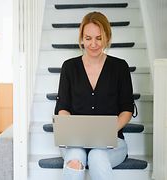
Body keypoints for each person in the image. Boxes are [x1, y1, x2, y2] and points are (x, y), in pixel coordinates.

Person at [55, 11, 134, 180]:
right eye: (88, 38)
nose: (93, 44)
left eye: (99, 38)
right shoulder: (69, 67)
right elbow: (62, 109)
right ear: (82, 38)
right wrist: (74, 132)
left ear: (107, 37)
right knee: (75, 160)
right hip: (75, 142)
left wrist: (105, 133)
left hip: (112, 142)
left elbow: (127, 109)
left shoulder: (120, 67)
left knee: (97, 156)